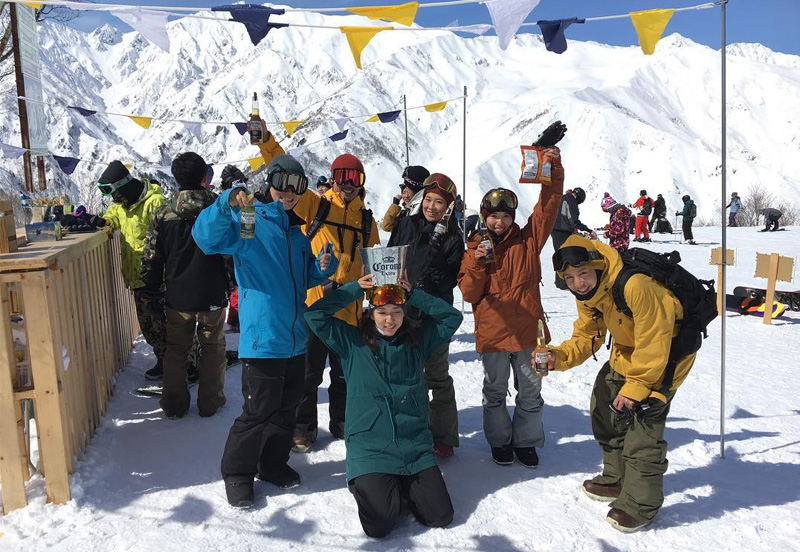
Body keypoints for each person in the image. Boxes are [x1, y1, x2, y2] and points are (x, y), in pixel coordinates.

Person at [192, 154, 338, 509]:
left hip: (294, 338)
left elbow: (302, 280)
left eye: (297, 186)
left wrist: (324, 268)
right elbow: (206, 239)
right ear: (270, 182)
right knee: (258, 411)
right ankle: (237, 474)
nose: (289, 193)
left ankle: (272, 464)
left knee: (288, 408)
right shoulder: (251, 220)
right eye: (283, 184)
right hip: (263, 339)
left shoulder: (297, 231)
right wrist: (224, 203)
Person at [543, 235, 698, 533]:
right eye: (570, 278)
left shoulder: (635, 285)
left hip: (666, 359)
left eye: (583, 273)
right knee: (605, 410)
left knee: (642, 429)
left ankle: (641, 504)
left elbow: (655, 343)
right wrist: (557, 357)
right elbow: (587, 336)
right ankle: (616, 479)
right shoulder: (591, 294)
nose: (578, 283)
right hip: (628, 353)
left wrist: (637, 388)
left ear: (598, 266)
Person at [304, 275, 462, 539]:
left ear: (404, 312)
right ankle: (367, 483)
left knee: (440, 516)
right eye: (382, 312)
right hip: (371, 447)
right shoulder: (352, 342)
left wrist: (415, 295)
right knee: (379, 525)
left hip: (413, 446)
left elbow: (451, 318)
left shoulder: (416, 341)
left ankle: (398, 483)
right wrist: (355, 288)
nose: (389, 320)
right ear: (371, 313)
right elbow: (315, 315)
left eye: (396, 312)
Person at [459, 147, 563, 467]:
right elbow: (468, 294)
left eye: (505, 216)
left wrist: (553, 169)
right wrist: (477, 263)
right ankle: (500, 441)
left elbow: (549, 205)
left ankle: (527, 441)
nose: (500, 221)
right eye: (494, 216)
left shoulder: (529, 240)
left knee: (531, 392)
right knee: (494, 391)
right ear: (484, 216)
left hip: (530, 331)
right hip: (493, 333)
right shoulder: (474, 248)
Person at [290, 153, 381, 451]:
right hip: (316, 307)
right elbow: (288, 177)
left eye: (355, 177)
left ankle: (341, 421)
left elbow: (374, 264)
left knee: (344, 373)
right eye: (343, 176)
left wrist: (377, 301)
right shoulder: (316, 206)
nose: (348, 183)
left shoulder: (367, 221)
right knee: (308, 372)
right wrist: (265, 140)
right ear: (332, 178)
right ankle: (303, 427)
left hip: (350, 309)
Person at [141, 152, 229, 419]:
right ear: (205, 177)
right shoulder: (217, 209)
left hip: (177, 295)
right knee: (212, 347)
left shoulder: (164, 213)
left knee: (176, 350)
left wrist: (151, 289)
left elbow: (152, 256)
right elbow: (231, 249)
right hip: (212, 291)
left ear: (176, 178)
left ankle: (174, 404)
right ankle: (210, 403)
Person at [388, 173, 464, 458]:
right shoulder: (406, 224)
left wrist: (422, 285)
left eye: (439, 203)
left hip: (433, 316)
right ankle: (411, 429)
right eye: (429, 200)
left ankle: (443, 435)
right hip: (404, 314)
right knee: (407, 375)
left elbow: (450, 278)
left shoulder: (453, 237)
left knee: (437, 376)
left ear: (449, 207)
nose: (432, 207)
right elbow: (391, 256)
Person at [97, 161, 172, 380]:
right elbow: (109, 220)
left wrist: (158, 280)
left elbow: (168, 239)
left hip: (157, 279)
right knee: (150, 327)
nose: (113, 200)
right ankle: (164, 360)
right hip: (136, 279)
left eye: (114, 193)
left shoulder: (155, 202)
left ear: (124, 186)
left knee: (165, 324)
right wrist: (92, 221)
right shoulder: (121, 207)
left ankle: (182, 364)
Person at [551, 187, 593, 289]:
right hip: (563, 232)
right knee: (565, 256)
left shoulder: (562, 197)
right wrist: (588, 230)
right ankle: (563, 284)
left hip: (554, 230)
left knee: (559, 254)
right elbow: (573, 220)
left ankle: (559, 282)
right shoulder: (571, 200)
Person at [380, 165, 430, 232]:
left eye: (408, 189)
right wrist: (395, 205)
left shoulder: (421, 210)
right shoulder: (406, 212)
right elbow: (386, 226)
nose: (406, 196)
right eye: (403, 192)